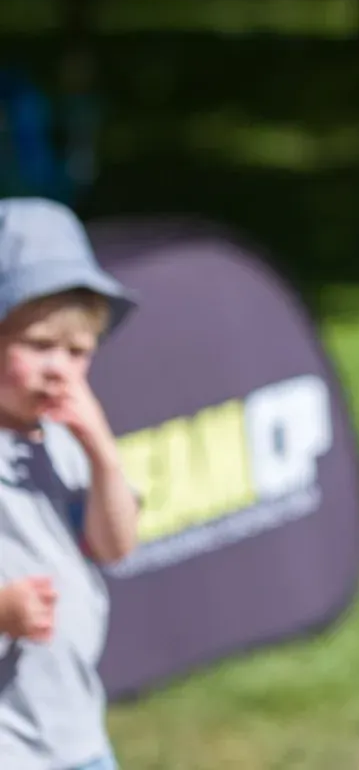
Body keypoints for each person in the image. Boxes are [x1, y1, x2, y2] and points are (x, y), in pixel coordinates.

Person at [0, 197, 139, 770]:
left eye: (78, 351)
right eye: (38, 345)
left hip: (76, 734)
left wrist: (101, 448)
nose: (60, 367)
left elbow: (116, 545)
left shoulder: (62, 437)